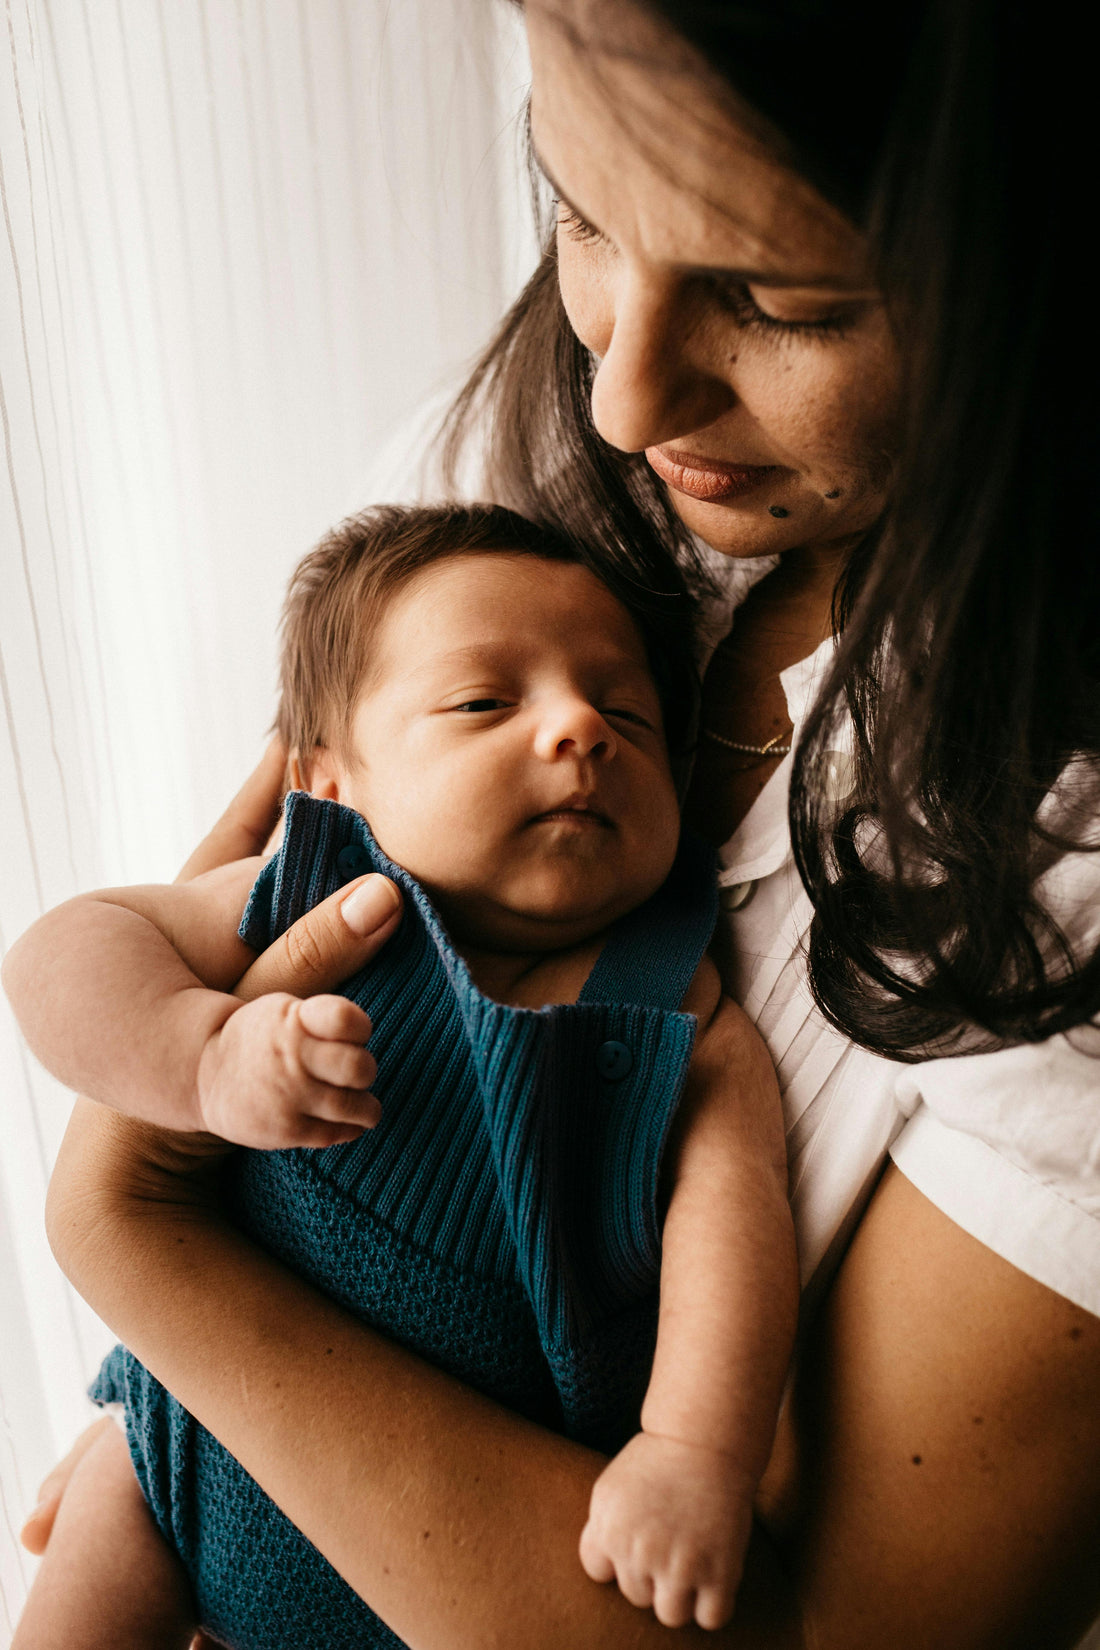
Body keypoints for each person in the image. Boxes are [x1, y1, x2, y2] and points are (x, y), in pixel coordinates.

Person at [16, 1, 1100, 1646]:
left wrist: (132, 1238)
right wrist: (187, 1072)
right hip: (187, 1443)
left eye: (782, 299)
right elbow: (118, 947)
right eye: (579, 210)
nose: (622, 401)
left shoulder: (728, 993)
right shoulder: (513, 487)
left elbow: (804, 1607)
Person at [4, 502, 795, 1647]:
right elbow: (59, 953)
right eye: (483, 703)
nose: (581, 727)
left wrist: (689, 1453)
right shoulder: (315, 891)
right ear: (328, 782)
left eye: (626, 711)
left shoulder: (678, 1010)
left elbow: (737, 1231)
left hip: (438, 1555)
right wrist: (201, 1054)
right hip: (171, 1464)